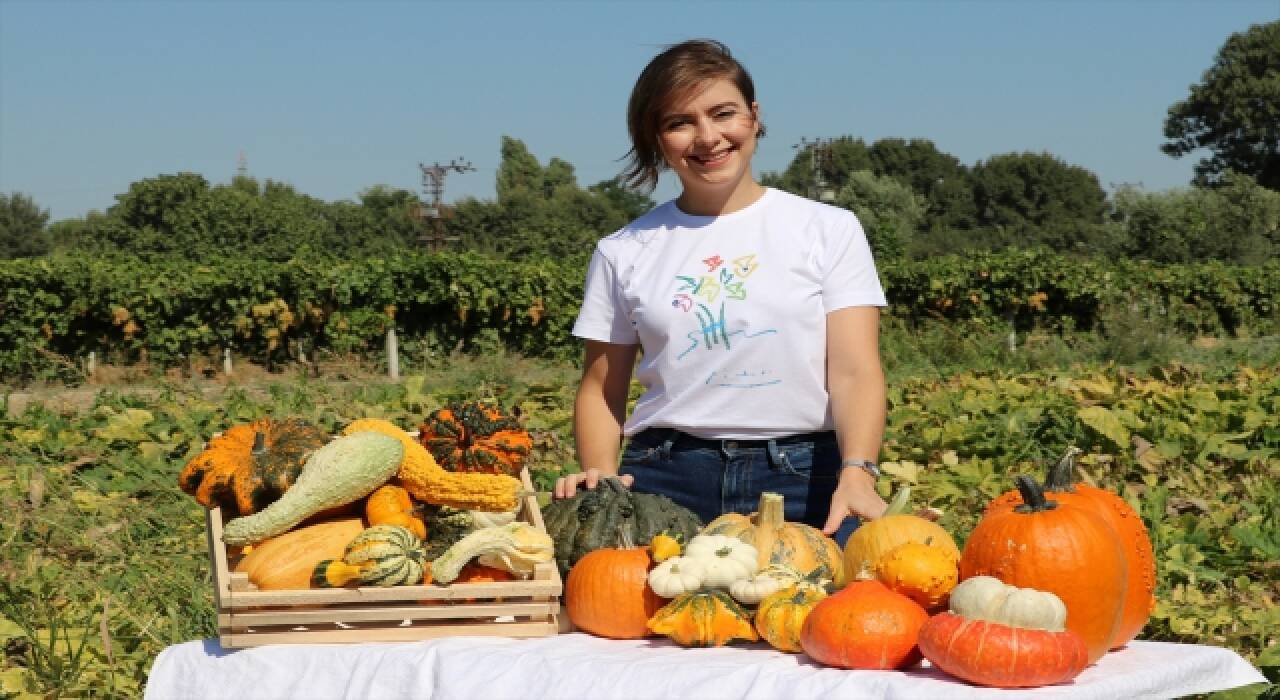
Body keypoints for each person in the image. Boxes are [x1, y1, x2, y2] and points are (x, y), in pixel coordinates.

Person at [553, 38, 889, 545]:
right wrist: (601, 478)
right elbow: (602, 387)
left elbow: (855, 370)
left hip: (804, 476)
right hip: (665, 478)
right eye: (679, 122)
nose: (707, 137)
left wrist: (858, 469)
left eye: (723, 113)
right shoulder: (624, 249)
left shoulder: (828, 229)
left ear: (753, 116)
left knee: (818, 619)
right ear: (657, 139)